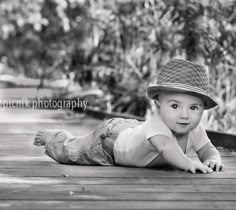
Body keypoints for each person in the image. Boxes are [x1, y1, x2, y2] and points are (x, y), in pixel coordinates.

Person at [34, 58, 225, 173]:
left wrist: (213, 159)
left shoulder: (196, 131)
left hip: (133, 128)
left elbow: (208, 149)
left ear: (203, 109)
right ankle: (56, 138)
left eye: (194, 108)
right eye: (175, 106)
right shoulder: (157, 125)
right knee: (74, 152)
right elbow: (167, 147)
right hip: (109, 143)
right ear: (158, 107)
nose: (185, 115)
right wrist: (188, 163)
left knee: (79, 147)